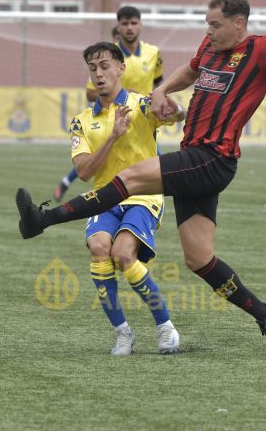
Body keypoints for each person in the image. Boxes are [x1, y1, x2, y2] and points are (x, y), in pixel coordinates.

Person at [16, 0, 266, 357]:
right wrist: (163, 88)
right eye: (206, 24)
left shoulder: (263, 50)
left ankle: (43, 219)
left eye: (215, 24)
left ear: (238, 23)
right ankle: (265, 315)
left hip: (214, 157)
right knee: (198, 259)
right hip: (194, 158)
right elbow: (190, 70)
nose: (208, 30)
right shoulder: (209, 47)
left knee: (130, 177)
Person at [72, 41, 186, 355]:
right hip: (105, 198)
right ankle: (123, 333)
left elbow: (178, 116)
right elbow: (83, 172)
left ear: (121, 68)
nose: (98, 73)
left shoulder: (142, 105)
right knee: (99, 249)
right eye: (93, 68)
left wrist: (174, 107)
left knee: (123, 255)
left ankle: (165, 326)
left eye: (105, 65)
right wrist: (112, 137)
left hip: (143, 194)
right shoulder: (82, 121)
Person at [53, 6, 164, 202]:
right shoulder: (105, 57)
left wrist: (155, 98)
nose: (129, 28)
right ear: (118, 27)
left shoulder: (154, 53)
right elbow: (90, 91)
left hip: (142, 115)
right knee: (100, 156)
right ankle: (67, 183)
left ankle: (149, 204)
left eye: (134, 23)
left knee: (156, 162)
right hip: (111, 114)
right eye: (125, 23)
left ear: (141, 25)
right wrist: (123, 95)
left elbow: (158, 83)